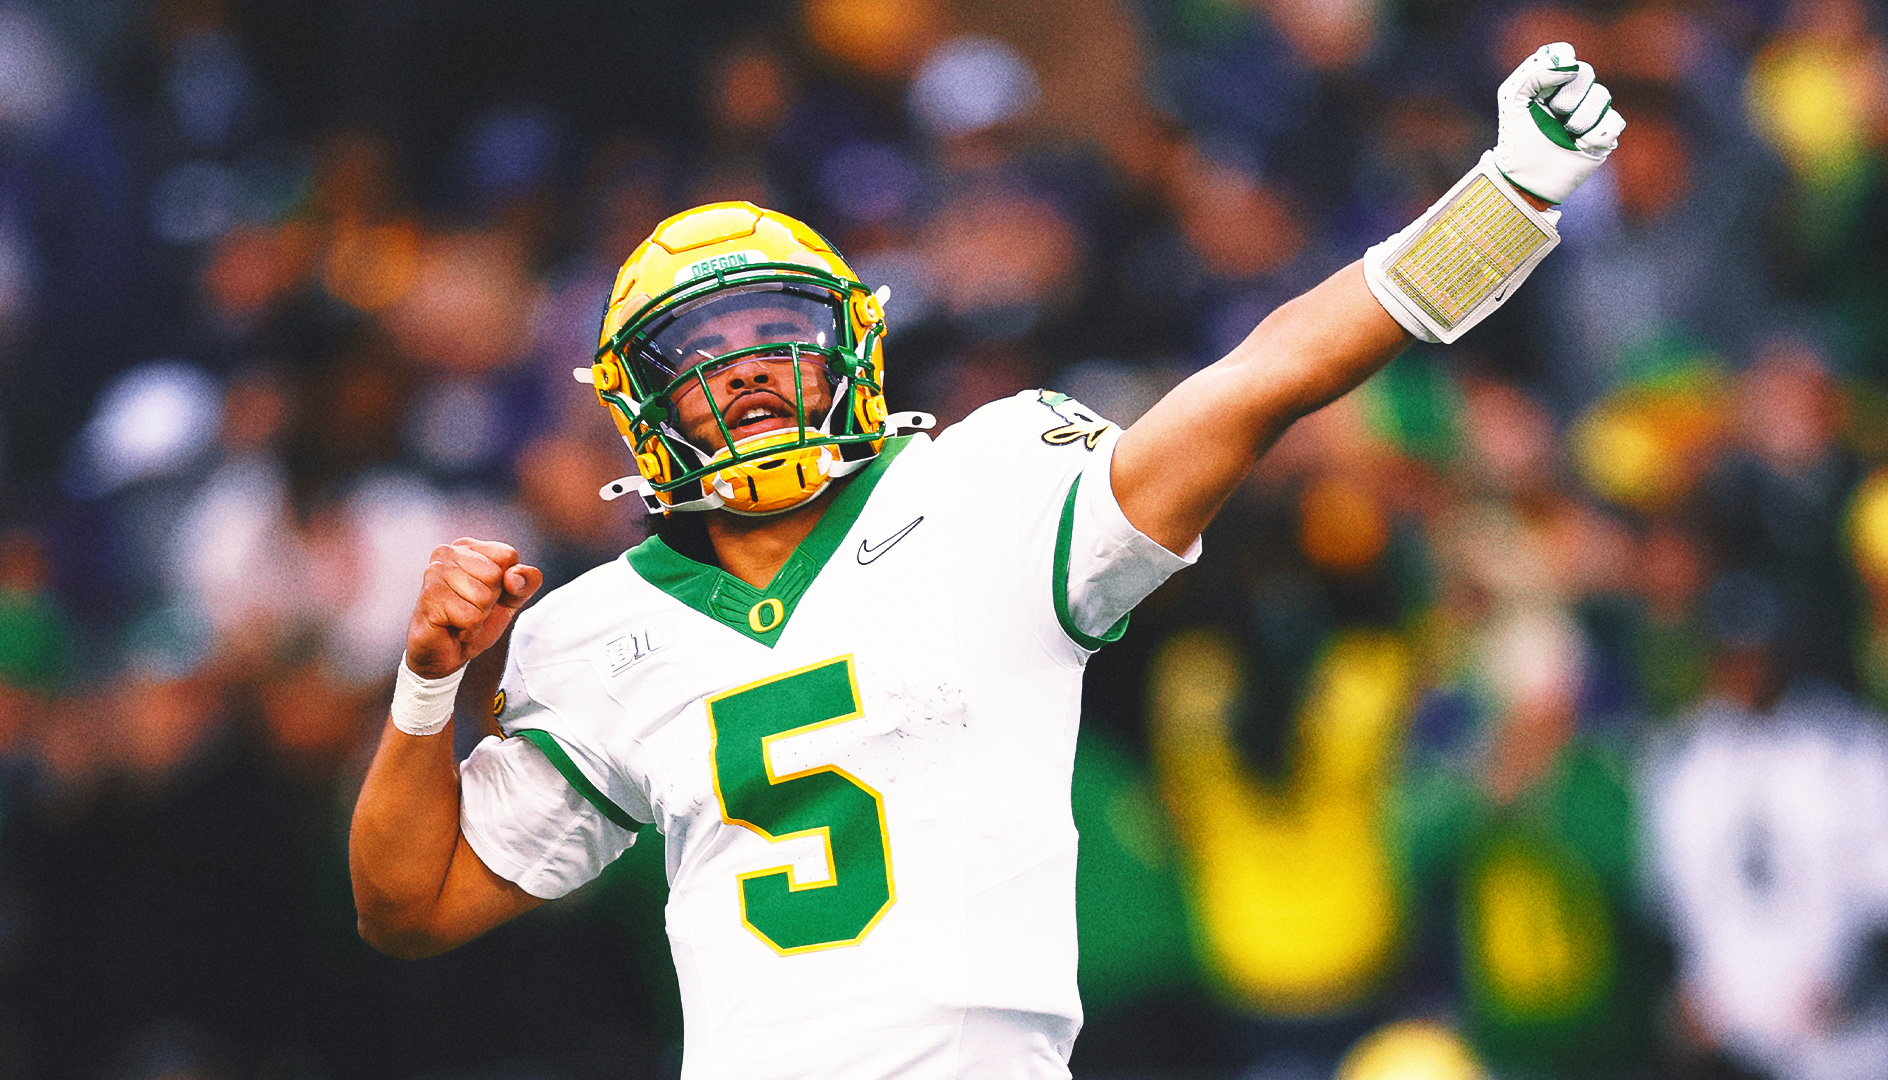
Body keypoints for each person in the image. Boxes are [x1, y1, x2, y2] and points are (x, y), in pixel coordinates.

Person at [349, 44, 1625, 1078]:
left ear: (852, 348)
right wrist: (425, 687)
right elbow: (409, 908)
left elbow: (1259, 383)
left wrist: (1502, 201)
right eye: (702, 357)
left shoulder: (988, 489)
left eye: (776, 333)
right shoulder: (593, 633)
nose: (747, 375)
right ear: (639, 405)